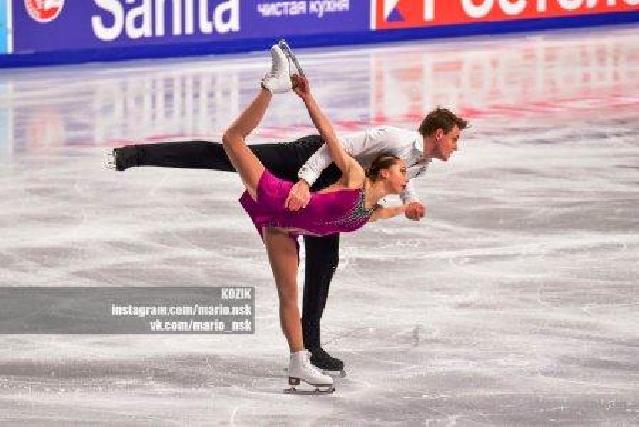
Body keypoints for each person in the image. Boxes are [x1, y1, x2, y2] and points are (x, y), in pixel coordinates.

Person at [109, 44, 468, 375]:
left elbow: (402, 181)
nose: (456, 145)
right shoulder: (395, 138)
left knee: (324, 264)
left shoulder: (419, 163)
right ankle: (137, 155)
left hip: (335, 196)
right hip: (312, 160)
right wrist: (305, 181)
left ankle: (309, 347)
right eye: (454, 137)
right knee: (226, 155)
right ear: (437, 133)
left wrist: (409, 202)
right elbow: (335, 145)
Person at [220, 46, 411, 389]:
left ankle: (298, 363)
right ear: (383, 173)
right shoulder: (353, 176)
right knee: (232, 140)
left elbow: (382, 214)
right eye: (401, 170)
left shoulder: (369, 211)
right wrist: (308, 99)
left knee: (288, 295)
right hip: (278, 199)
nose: (406, 175)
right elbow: (331, 139)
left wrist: (406, 208)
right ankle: (271, 86)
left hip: (280, 229)